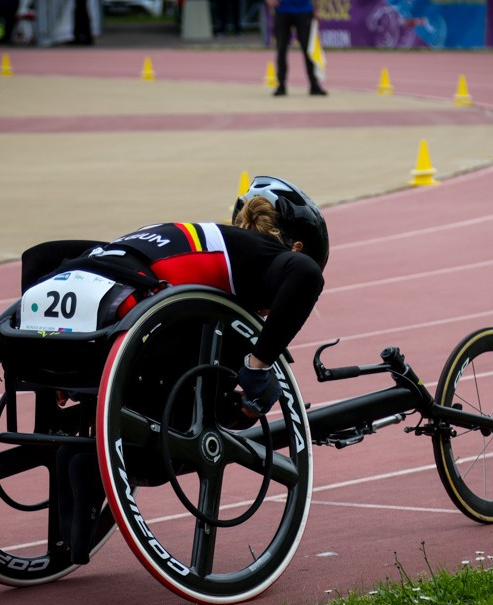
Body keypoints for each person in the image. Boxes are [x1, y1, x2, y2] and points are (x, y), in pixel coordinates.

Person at [19, 176, 328, 563]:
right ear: (296, 246)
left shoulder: (211, 239)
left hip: (75, 310)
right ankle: (92, 465)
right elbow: (305, 276)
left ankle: (80, 458)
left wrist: (49, 371)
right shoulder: (265, 253)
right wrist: (258, 365)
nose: (270, 310)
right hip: (130, 311)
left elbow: (40, 255)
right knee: (184, 428)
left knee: (193, 355)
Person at [266, 0, 325, 96]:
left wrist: (317, 9)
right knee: (281, 49)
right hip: (282, 10)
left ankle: (314, 84)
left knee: (308, 49)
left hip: (303, 10)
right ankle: (281, 85)